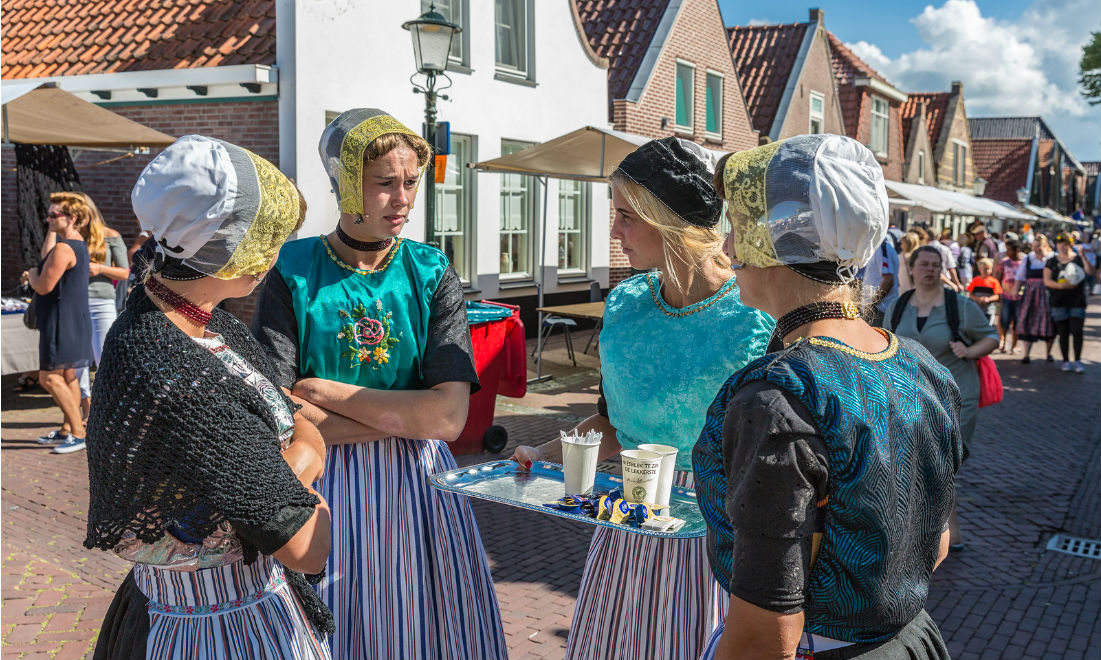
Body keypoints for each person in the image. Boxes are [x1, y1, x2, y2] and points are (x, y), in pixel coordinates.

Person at [250, 108, 507, 660]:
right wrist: (406, 419)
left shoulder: (431, 271)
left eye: (411, 182)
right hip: (325, 482)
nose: (403, 199)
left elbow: (448, 418)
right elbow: (275, 413)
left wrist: (323, 391)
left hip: (419, 489)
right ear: (346, 184)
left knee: (420, 626)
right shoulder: (292, 270)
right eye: (385, 183)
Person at [694, 134, 961, 660]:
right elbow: (937, 543)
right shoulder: (921, 366)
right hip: (910, 641)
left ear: (775, 239)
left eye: (738, 227)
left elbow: (765, 633)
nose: (726, 248)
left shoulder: (777, 399)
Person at [509, 137, 774, 660]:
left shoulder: (756, 312)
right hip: (630, 526)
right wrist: (543, 455)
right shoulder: (626, 304)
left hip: (723, 533)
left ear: (670, 222)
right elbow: (613, 425)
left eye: (626, 217)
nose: (614, 232)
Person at [84, 135, 333, 660]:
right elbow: (308, 546)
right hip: (217, 629)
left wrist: (293, 453)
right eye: (268, 238)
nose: (275, 254)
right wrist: (309, 454)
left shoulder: (198, 322)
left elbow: (287, 412)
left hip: (227, 605)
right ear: (230, 249)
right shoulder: (174, 366)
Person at [887, 245, 998, 551]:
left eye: (936, 265)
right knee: (923, 461)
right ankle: (940, 533)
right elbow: (886, 343)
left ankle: (943, 534)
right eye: (924, 264)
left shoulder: (959, 306)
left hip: (956, 398)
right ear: (911, 269)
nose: (930, 270)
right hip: (911, 397)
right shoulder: (898, 306)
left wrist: (970, 351)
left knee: (939, 461)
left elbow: (992, 337)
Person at [21, 192, 94, 454]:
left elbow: (43, 286)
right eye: (49, 214)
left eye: (54, 215)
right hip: (74, 320)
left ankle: (78, 433)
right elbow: (47, 257)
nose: (48, 218)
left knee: (49, 378)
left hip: (61, 321)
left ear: (72, 218)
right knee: (68, 376)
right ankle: (67, 429)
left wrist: (32, 275)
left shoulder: (65, 248)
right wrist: (52, 231)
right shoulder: (75, 244)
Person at [74, 194, 130, 420]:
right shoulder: (69, 237)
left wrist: (99, 269)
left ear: (88, 213)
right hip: (73, 302)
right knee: (77, 362)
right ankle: (86, 411)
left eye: (78, 215)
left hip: (101, 301)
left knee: (106, 357)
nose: (74, 220)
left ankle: (111, 410)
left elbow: (124, 272)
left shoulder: (110, 236)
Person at [1044, 234, 1095, 373]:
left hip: (1077, 301)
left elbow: (1090, 272)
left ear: (1071, 244)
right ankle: (1065, 360)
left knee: (1077, 331)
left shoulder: (1078, 259)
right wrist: (1061, 286)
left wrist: (1084, 257)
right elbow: (1047, 280)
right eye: (1060, 243)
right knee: (1063, 332)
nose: (1062, 246)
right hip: (1058, 301)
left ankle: (1077, 360)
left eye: (1065, 243)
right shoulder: (1052, 261)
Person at [1016, 234, 1056, 364]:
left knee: (1049, 322)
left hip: (1048, 294)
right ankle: (1026, 354)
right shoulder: (1028, 258)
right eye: (1033, 247)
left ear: (1045, 246)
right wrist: (1016, 291)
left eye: (1038, 247)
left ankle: (1049, 353)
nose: (1036, 249)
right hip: (1031, 295)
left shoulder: (1052, 258)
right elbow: (1020, 277)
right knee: (1028, 321)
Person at [858, 237, 899, 326]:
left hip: (879, 310)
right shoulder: (878, 248)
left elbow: (888, 280)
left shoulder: (882, 247)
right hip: (876, 309)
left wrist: (871, 305)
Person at [995, 240, 1024, 353]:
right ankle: (1002, 342)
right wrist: (998, 292)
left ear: (1017, 250)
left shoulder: (1023, 263)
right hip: (1006, 297)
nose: (1007, 252)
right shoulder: (1004, 262)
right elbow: (998, 277)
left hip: (1019, 298)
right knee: (1004, 321)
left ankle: (1013, 346)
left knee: (1016, 322)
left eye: (1009, 250)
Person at [967, 257, 1002, 325]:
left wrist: (988, 299)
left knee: (988, 325)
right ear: (979, 269)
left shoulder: (994, 281)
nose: (987, 271)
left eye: (989, 269)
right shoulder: (975, 280)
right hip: (977, 308)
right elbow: (970, 294)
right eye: (985, 269)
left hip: (989, 309)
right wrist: (978, 299)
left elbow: (997, 296)